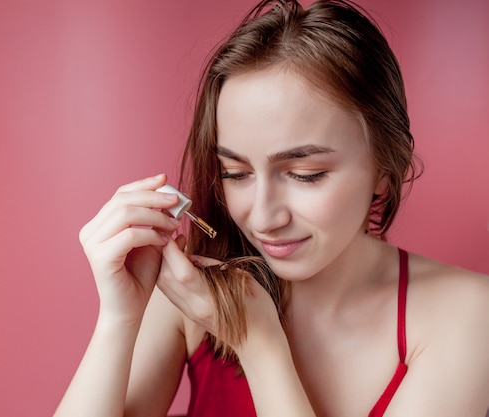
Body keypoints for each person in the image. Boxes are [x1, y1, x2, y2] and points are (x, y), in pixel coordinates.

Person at [54, 0, 489, 416]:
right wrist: (119, 319)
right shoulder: (193, 290)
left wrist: (260, 343)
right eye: (235, 173)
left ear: (383, 168)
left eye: (305, 174)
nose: (262, 218)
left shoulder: (467, 316)